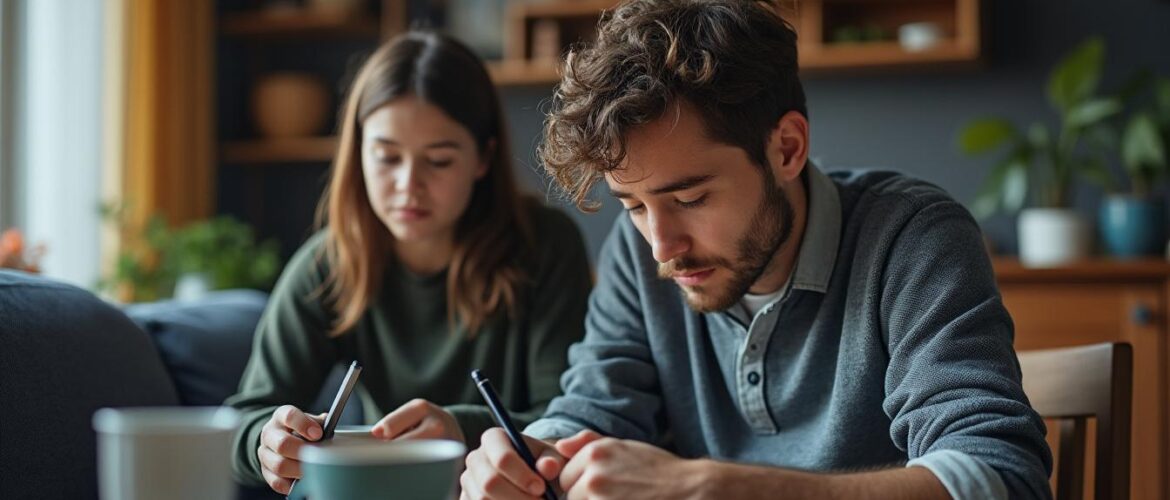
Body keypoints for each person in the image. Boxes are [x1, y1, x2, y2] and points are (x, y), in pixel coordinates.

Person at [460, 1, 1052, 499]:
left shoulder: (913, 238)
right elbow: (594, 411)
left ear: (787, 148)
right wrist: (532, 457)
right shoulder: (637, 253)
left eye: (690, 197)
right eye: (633, 206)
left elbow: (1001, 476)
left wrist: (720, 488)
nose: (661, 246)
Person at [226, 31, 592, 495]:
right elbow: (241, 419)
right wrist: (267, 440)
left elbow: (573, 416)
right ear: (358, 153)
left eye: (438, 161)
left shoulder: (544, 247)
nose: (407, 185)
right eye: (386, 157)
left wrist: (460, 431)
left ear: (484, 157)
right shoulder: (327, 266)